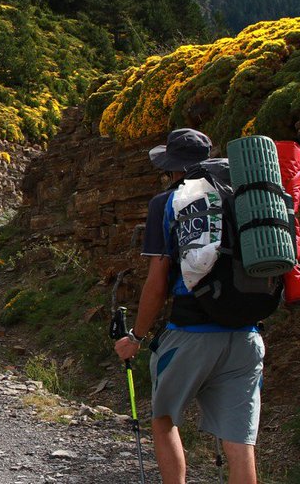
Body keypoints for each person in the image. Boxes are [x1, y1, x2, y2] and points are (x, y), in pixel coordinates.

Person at [113, 128, 265, 484]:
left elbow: (157, 282)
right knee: (240, 443)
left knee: (164, 419)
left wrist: (136, 336)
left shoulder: (168, 202)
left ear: (171, 167)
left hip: (191, 333)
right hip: (247, 334)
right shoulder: (242, 196)